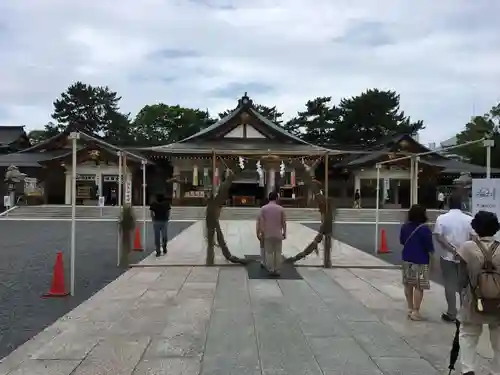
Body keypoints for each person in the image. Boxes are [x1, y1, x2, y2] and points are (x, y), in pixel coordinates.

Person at [456, 211, 500, 375]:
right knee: (498, 338)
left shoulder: (467, 248)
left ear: (475, 228)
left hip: (474, 298)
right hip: (498, 300)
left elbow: (461, 277)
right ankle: (496, 370)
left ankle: (468, 369)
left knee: (468, 334)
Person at [434, 195, 474, 322]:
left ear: (447, 204)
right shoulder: (469, 219)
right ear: (462, 205)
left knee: (449, 284)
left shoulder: (442, 218)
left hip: (447, 255)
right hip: (466, 257)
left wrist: (452, 249)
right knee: (464, 286)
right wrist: (463, 250)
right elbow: (474, 238)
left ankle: (451, 312)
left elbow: (439, 237)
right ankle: (464, 313)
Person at [400, 205, 435, 321]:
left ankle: (410, 308)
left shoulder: (405, 227)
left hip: (406, 259)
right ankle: (416, 311)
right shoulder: (425, 229)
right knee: (419, 286)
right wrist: (434, 263)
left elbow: (402, 241)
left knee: (408, 284)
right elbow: (429, 248)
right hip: (421, 260)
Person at [257, 191, 286, 276]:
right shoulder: (281, 209)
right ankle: (277, 269)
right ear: (276, 198)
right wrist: (284, 232)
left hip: (267, 233)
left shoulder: (263, 209)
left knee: (269, 252)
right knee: (278, 252)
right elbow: (283, 222)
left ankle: (270, 269)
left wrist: (261, 232)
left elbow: (262, 222)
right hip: (278, 233)